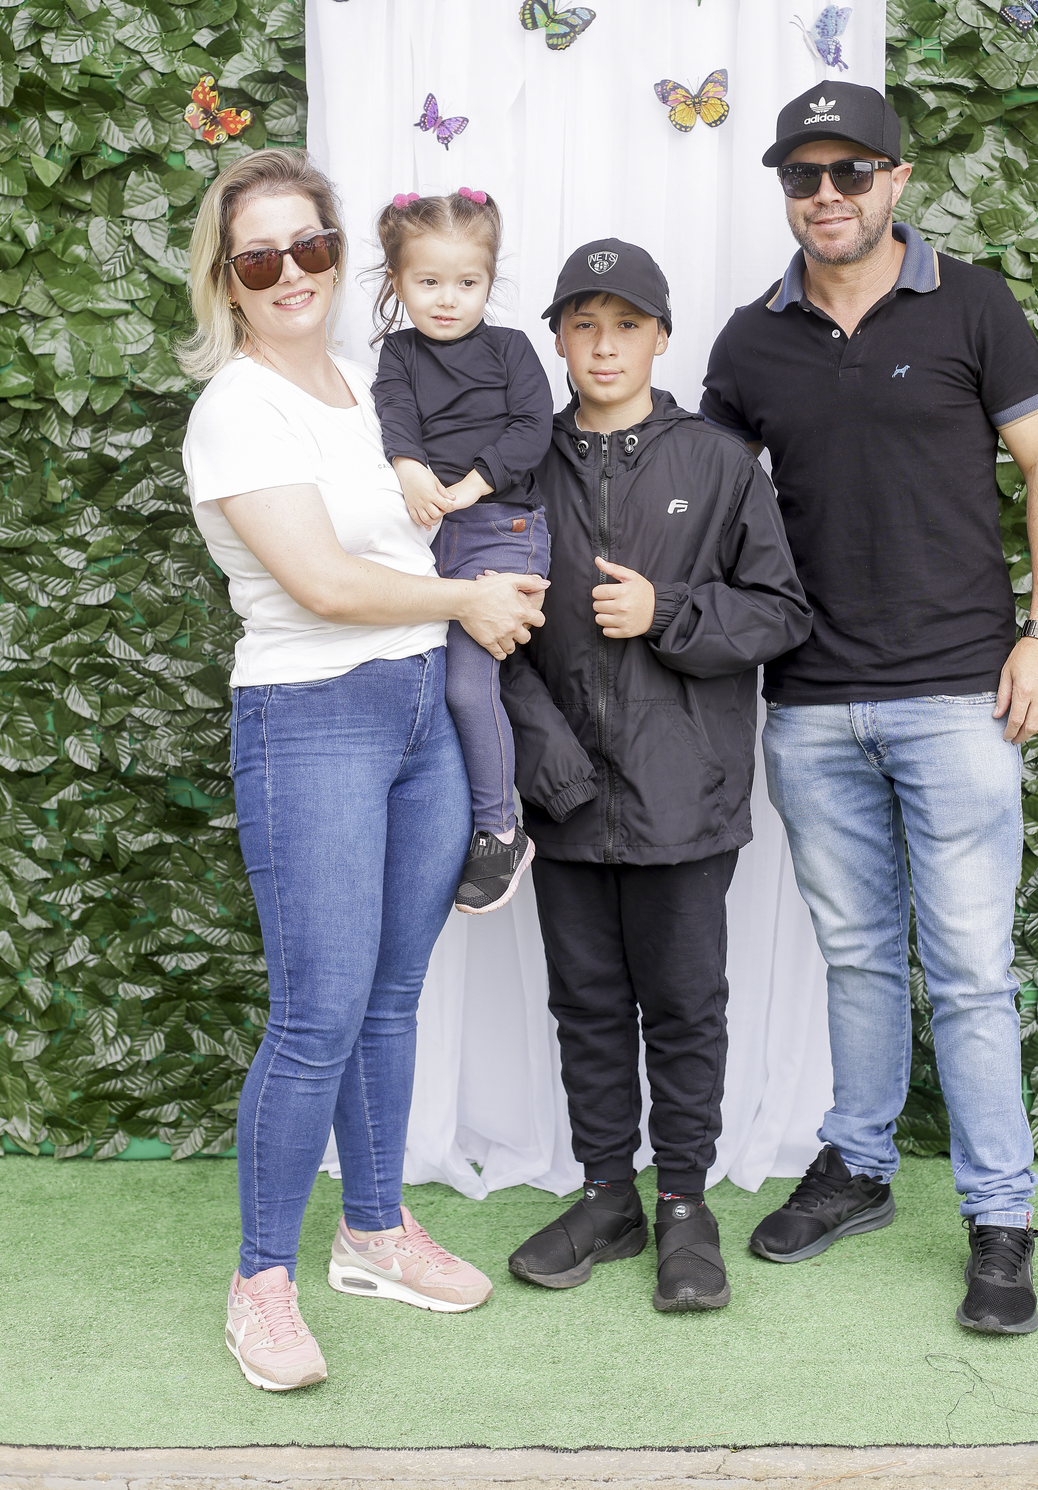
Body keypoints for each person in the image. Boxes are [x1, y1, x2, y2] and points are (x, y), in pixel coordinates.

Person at [701, 81, 1038, 1336]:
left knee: (970, 972)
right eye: (803, 176)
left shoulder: (972, 303)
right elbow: (700, 506)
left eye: (850, 172)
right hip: (812, 707)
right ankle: (859, 1169)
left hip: (961, 695)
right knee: (859, 957)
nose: (826, 195)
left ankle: (1002, 1219)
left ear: (896, 181)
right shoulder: (748, 343)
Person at [179, 150, 548, 1393]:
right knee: (318, 1014)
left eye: (313, 245)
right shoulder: (238, 409)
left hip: (419, 713)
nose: (292, 272)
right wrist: (471, 599)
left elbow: (430, 530)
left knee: (390, 998)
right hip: (312, 717)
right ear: (228, 278)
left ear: (342, 254)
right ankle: (260, 1284)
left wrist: (491, 582)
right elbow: (327, 585)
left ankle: (376, 1233)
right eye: (261, 256)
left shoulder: (358, 386)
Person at [500, 239, 812, 1314]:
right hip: (565, 797)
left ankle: (683, 1204)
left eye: (625, 325)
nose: (604, 346)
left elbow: (779, 613)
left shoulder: (720, 464)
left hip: (686, 797)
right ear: (557, 339)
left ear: (661, 338)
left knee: (684, 1007)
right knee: (586, 1004)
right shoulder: (520, 468)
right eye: (583, 325)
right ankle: (607, 1198)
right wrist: (549, 766)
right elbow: (487, 633)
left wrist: (666, 611)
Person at [371, 188, 553, 915]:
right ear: (397, 282)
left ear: (489, 281)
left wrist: (474, 483)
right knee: (420, 684)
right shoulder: (398, 354)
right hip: (428, 536)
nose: (448, 300)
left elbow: (533, 426)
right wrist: (410, 468)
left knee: (466, 688)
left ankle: (500, 829)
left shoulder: (510, 349)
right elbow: (394, 415)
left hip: (501, 531)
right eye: (428, 282)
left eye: (467, 283)